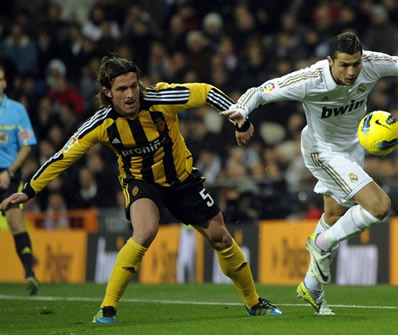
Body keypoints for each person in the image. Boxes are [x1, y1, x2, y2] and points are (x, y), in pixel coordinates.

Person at [0, 55, 282, 323]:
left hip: (182, 179)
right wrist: (30, 190)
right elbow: (64, 156)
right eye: (122, 89)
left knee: (220, 238)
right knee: (145, 231)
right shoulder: (102, 123)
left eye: (133, 85)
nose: (130, 94)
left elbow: (206, 92)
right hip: (140, 182)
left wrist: (240, 117)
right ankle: (107, 308)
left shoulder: (161, 98)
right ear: (108, 92)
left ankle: (253, 302)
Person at [221, 32, 398, 315]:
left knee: (333, 216)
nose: (352, 71)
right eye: (344, 65)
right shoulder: (310, 80)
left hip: (354, 148)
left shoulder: (371, 64)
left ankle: (312, 287)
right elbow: (259, 91)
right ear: (330, 61)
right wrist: (242, 111)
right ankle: (321, 243)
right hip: (322, 151)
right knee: (380, 207)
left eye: (355, 64)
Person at [0, 64, 39, 295]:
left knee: (15, 223)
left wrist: (9, 173)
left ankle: (29, 274)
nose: (1, 83)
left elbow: (27, 145)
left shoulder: (17, 110)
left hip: (9, 175)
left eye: (2, 79)